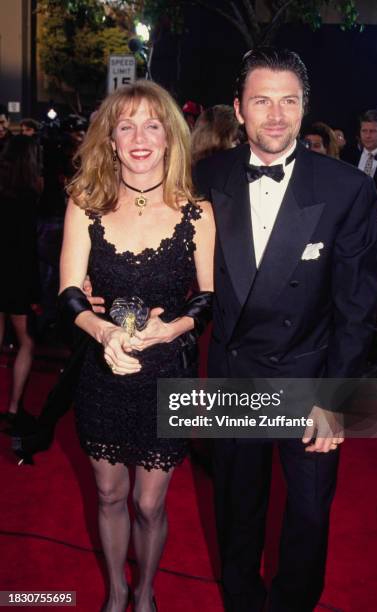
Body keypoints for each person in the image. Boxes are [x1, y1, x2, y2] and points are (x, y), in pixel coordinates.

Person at [193, 47, 377, 612]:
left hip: (310, 376)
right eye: (261, 101)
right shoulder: (208, 176)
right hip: (233, 376)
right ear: (239, 109)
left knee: (307, 516)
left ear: (305, 107)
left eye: (288, 101)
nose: (275, 116)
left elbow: (356, 311)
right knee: (235, 511)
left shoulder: (347, 188)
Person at [58, 81, 214, 612]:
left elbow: (209, 298)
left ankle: (145, 592)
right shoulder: (86, 203)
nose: (140, 137)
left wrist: (169, 330)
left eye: (153, 124)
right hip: (103, 373)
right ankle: (117, 591)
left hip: (166, 373)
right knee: (107, 494)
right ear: (111, 139)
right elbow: (70, 291)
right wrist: (102, 333)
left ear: (171, 138)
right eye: (126, 126)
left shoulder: (197, 212)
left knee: (150, 503)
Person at [0, 135, 42, 423]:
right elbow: (29, 249)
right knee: (26, 341)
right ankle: (14, 408)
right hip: (17, 276)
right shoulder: (30, 197)